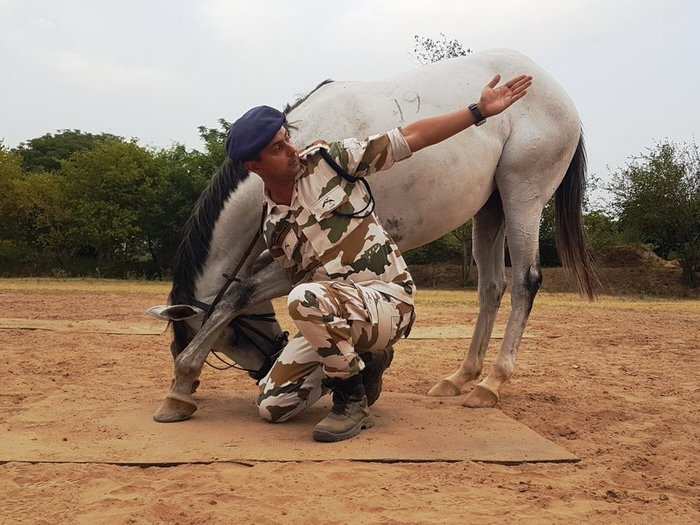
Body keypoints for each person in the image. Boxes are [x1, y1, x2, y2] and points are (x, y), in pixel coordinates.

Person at [226, 73, 532, 442]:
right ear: (253, 167)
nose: (291, 149)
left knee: (304, 299)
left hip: (388, 302)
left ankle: (350, 400)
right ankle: (366, 362)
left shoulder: (330, 162)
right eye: (277, 149)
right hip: (335, 311)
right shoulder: (273, 225)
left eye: (286, 139)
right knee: (272, 405)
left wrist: (477, 111)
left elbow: (411, 138)